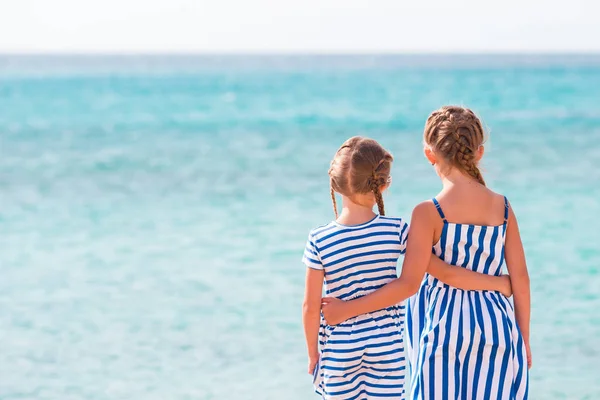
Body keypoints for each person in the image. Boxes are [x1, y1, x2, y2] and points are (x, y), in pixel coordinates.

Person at [321, 107, 530, 400]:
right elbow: (520, 280)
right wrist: (523, 337)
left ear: (429, 154)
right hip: (496, 328)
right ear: (479, 152)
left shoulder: (428, 213)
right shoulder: (503, 209)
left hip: (441, 327)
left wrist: (346, 309)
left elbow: (413, 281)